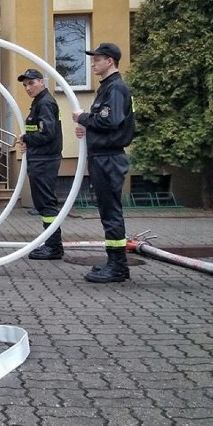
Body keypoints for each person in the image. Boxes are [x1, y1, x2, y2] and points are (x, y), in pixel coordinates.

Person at [72, 42, 135, 283]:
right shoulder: (107, 88)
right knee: (107, 211)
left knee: (111, 212)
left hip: (109, 158)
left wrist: (83, 118)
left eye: (97, 59)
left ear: (110, 61)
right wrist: (87, 129)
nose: (92, 63)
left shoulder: (116, 88)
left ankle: (118, 266)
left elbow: (111, 122)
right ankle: (114, 262)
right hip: (102, 156)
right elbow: (105, 123)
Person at [16, 68, 64, 260]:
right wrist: (28, 142)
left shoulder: (44, 103)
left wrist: (26, 137)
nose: (28, 88)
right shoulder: (39, 103)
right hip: (40, 157)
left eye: (32, 83)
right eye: (25, 85)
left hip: (45, 160)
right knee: (43, 203)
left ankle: (53, 246)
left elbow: (47, 133)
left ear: (41, 82)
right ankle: (51, 243)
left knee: (46, 204)